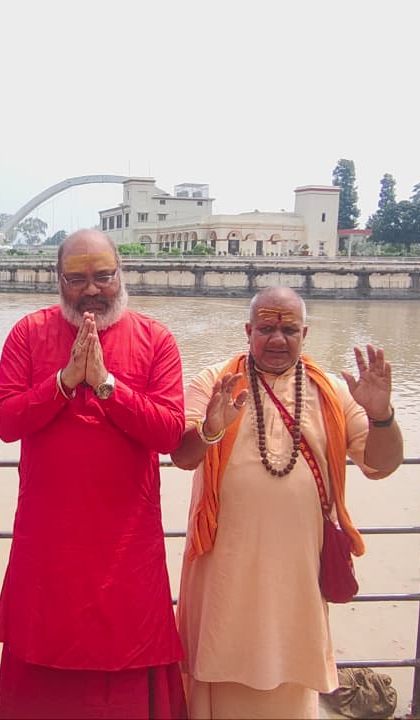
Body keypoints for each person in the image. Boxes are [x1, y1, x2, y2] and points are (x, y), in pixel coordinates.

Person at [171, 285, 404, 719]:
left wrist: (381, 416)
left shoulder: (334, 392)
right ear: (248, 331)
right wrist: (210, 429)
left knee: (290, 673)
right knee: (217, 663)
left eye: (289, 330)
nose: (277, 339)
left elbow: (382, 464)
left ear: (305, 334)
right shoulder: (216, 382)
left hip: (297, 572)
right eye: (266, 329)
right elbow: (183, 457)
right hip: (223, 568)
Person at [0, 229, 188, 719]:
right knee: (42, 660)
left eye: (103, 276)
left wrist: (106, 386)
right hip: (49, 541)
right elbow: (6, 422)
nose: (91, 290)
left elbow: (168, 432)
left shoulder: (156, 339)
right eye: (76, 279)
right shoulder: (28, 333)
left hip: (126, 543)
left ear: (122, 273)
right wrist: (62, 383)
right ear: (58, 280)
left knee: (126, 655)